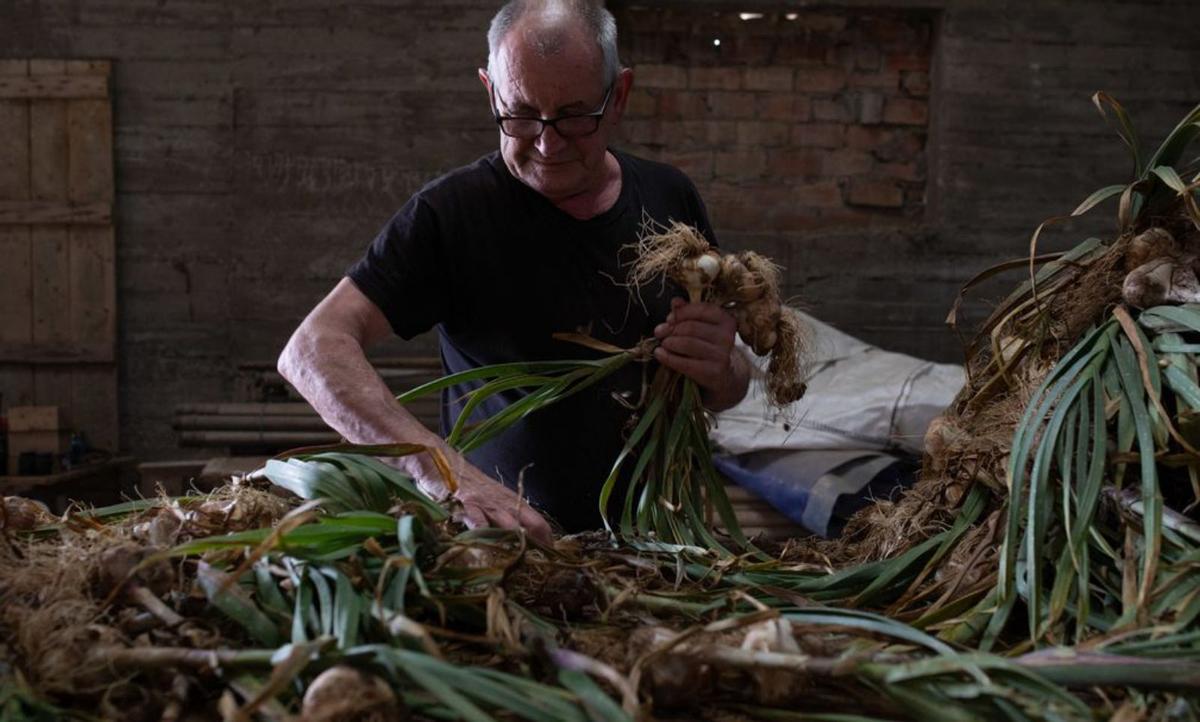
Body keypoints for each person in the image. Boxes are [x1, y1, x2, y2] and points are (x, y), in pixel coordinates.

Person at [277, 0, 750, 543]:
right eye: (521, 114)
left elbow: (724, 386)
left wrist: (723, 369)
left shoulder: (671, 196)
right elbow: (312, 348)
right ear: (490, 91)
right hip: (513, 553)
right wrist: (443, 474)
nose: (548, 144)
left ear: (618, 96)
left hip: (662, 548)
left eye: (574, 116)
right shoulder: (452, 214)